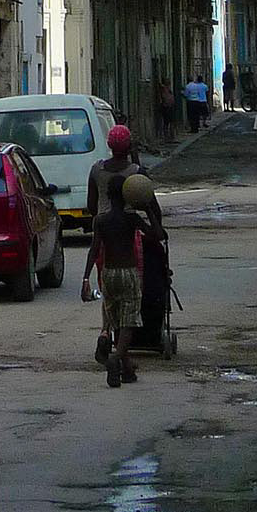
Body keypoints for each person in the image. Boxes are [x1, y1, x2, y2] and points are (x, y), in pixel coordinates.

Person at [80, 171, 146, 387]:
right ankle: (115, 358)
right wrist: (147, 209)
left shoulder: (101, 220)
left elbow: (94, 250)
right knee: (128, 321)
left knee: (115, 320)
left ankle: (126, 370)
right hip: (128, 272)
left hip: (108, 273)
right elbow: (158, 235)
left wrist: (86, 278)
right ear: (127, 196)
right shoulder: (131, 219)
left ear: (107, 196)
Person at [86, 123, 139, 223]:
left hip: (104, 224)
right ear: (130, 146)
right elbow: (152, 205)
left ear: (109, 144)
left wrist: (101, 220)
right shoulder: (135, 171)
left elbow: (91, 206)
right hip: (128, 225)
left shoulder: (97, 170)